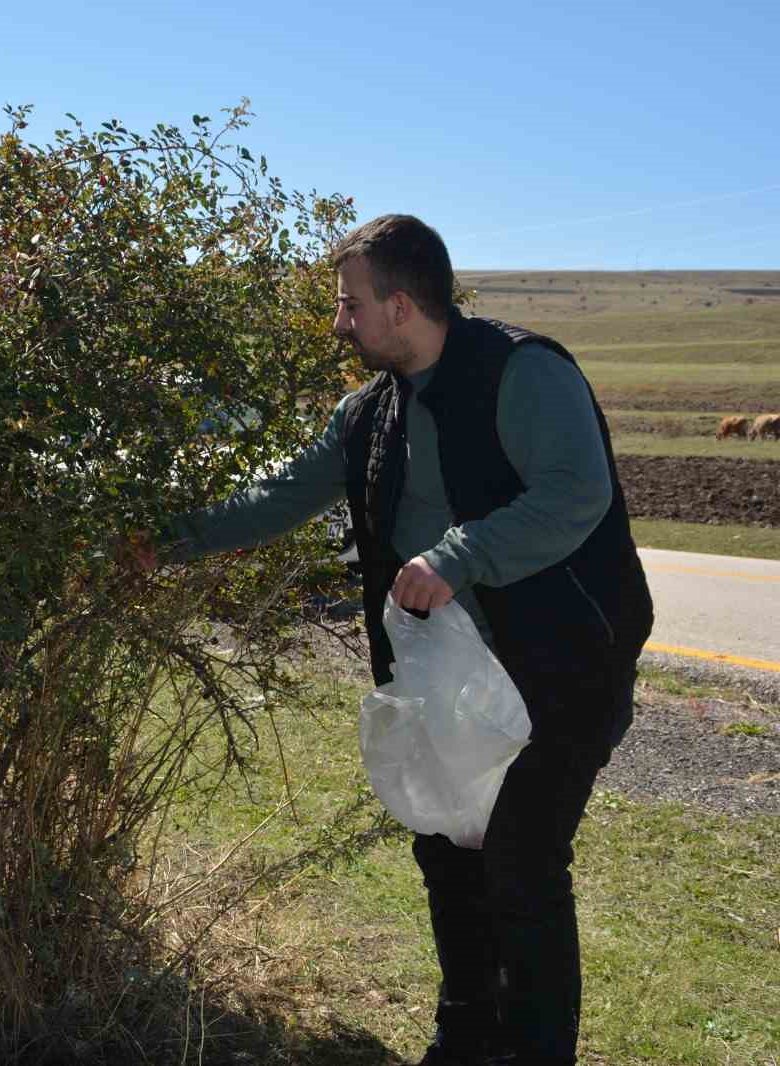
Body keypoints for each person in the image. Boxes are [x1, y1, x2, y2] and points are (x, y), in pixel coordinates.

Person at [132, 215, 652, 1066]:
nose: (340, 324)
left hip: (559, 670)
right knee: (448, 862)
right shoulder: (366, 413)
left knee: (522, 870)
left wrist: (458, 556)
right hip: (441, 689)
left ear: (401, 306)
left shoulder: (524, 373)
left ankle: (534, 1051)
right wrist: (164, 539)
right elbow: (276, 500)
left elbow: (574, 492)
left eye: (349, 305)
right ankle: (465, 1033)